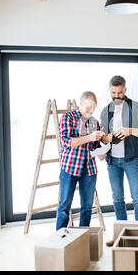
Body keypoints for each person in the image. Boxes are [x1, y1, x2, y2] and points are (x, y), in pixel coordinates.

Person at [100, 76, 138, 246]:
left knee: (137, 198)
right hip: (113, 162)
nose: (117, 95)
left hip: (132, 160)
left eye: (120, 92)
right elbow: (103, 139)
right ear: (110, 90)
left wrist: (129, 130)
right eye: (113, 92)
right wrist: (107, 138)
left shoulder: (135, 107)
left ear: (125, 90)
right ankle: (121, 237)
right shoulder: (106, 110)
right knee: (117, 199)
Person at [56, 91, 105, 230]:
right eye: (89, 106)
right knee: (64, 206)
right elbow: (67, 141)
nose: (92, 110)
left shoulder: (95, 122)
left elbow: (95, 148)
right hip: (70, 168)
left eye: (94, 107)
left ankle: (82, 239)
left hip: (89, 170)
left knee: (87, 208)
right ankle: (59, 240)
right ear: (81, 103)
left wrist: (103, 151)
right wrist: (90, 137)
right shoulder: (68, 117)